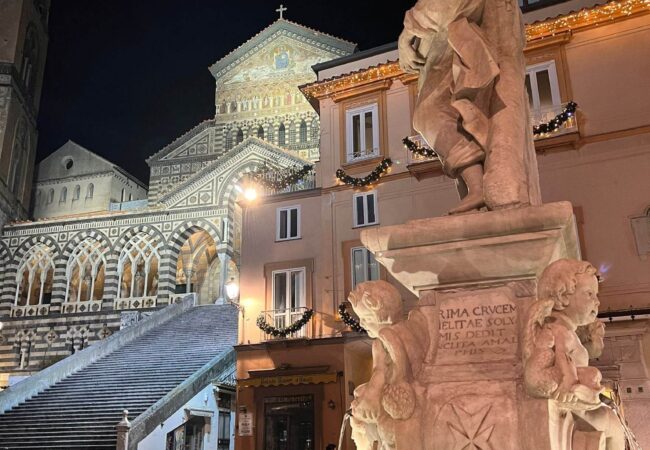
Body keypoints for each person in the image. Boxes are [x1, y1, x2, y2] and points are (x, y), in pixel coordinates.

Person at [398, 0, 540, 214]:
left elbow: (449, 4)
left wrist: (408, 33)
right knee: (450, 120)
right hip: (455, 48)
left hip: (465, 47)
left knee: (430, 115)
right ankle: (478, 187)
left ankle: (478, 187)